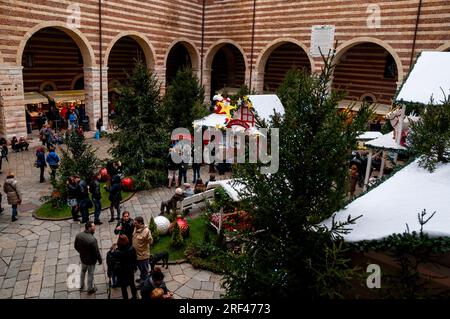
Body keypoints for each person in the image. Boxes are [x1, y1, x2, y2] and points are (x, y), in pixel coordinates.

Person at [74, 221, 102, 294]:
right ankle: (90, 289)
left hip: (83, 259)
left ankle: (81, 286)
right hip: (91, 261)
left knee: (83, 272)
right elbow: (96, 252)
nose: (95, 227)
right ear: (89, 228)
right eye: (93, 226)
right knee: (90, 274)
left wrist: (81, 253)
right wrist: (100, 260)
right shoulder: (92, 240)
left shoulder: (78, 235)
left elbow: (75, 246)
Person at [111, 235, 138, 299]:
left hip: (122, 272)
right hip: (130, 270)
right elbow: (135, 258)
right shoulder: (132, 249)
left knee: (123, 287)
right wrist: (135, 267)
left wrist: (113, 249)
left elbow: (112, 258)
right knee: (132, 284)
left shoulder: (118, 253)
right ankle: (134, 296)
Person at [132, 216, 153, 285]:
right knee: (141, 270)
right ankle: (142, 279)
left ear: (140, 223)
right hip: (136, 255)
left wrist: (148, 238)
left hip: (143, 256)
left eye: (135, 223)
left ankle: (144, 284)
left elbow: (151, 242)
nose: (134, 224)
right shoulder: (136, 227)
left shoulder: (146, 232)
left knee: (145, 272)